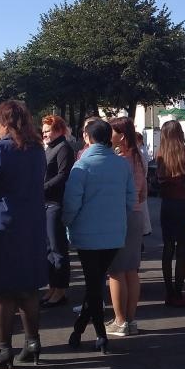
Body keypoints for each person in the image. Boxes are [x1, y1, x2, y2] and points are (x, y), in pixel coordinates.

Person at [0, 100, 47, 369]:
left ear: (4, 123)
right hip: (31, 223)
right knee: (29, 288)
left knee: (3, 291)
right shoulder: (37, 149)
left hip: (1, 223)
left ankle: (4, 349)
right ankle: (33, 343)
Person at [64, 118, 135, 353]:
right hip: (114, 234)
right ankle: (81, 330)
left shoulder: (82, 166)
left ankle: (100, 335)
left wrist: (66, 223)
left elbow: (72, 203)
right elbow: (130, 200)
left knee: (93, 283)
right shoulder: (122, 164)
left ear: (88, 137)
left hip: (87, 234)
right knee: (95, 283)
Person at [106, 117, 145, 337]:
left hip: (120, 215)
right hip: (137, 214)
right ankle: (130, 320)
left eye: (111, 131)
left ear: (121, 136)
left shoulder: (120, 160)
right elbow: (144, 192)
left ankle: (120, 321)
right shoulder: (138, 157)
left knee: (116, 270)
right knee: (131, 270)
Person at [155, 120, 185, 307]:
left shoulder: (160, 155)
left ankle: (169, 292)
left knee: (168, 248)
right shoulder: (184, 155)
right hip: (183, 204)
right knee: (182, 250)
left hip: (167, 204)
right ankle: (178, 293)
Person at [41, 114, 75, 308]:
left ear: (59, 130)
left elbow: (63, 175)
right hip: (45, 203)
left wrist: (42, 187)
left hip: (55, 203)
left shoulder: (63, 148)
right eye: (43, 131)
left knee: (57, 248)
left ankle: (60, 289)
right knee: (48, 249)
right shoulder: (49, 148)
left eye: (48, 131)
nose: (45, 134)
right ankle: (53, 286)